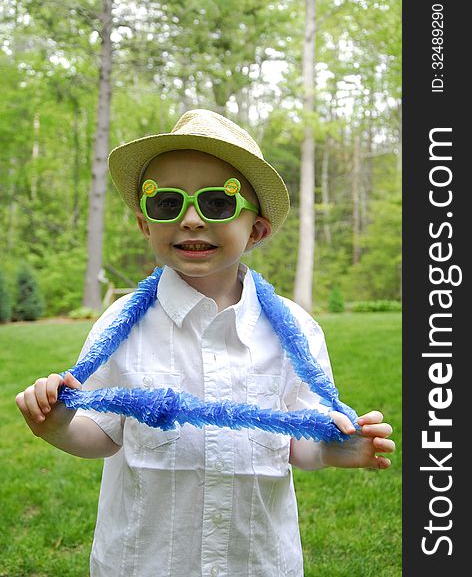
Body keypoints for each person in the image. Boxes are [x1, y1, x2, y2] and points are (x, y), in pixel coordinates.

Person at [16, 109, 395, 577]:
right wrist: (56, 426)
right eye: (166, 204)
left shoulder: (294, 332)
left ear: (257, 229)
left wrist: (332, 447)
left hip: (254, 561)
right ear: (143, 224)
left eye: (217, 203)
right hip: (145, 560)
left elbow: (299, 439)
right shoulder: (121, 327)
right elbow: (102, 434)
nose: (191, 220)